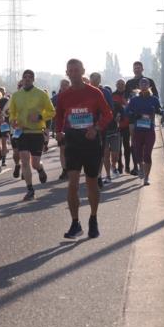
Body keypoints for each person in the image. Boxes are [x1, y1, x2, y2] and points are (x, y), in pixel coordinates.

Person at [54, 59, 113, 239]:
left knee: (91, 183)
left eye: (76, 70)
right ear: (67, 73)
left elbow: (108, 114)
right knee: (72, 184)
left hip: (91, 142)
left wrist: (96, 129)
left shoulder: (94, 93)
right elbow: (59, 117)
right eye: (70, 71)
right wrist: (58, 132)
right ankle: (75, 223)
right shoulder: (64, 96)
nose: (73, 73)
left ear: (83, 71)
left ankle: (93, 219)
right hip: (72, 142)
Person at [7, 69, 55, 201]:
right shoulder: (16, 95)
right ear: (22, 79)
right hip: (22, 132)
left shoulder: (41, 94)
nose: (27, 79)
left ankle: (40, 168)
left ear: (33, 79)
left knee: (34, 163)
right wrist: (12, 120)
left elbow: (52, 112)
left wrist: (40, 116)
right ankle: (30, 189)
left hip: (36, 132)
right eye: (25, 77)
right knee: (24, 160)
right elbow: (12, 112)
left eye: (30, 77)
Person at [126, 84, 163, 186]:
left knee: (147, 154)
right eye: (142, 84)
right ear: (139, 86)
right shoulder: (134, 100)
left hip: (149, 131)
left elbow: (159, 110)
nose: (144, 86)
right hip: (138, 131)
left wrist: (162, 111)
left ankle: (146, 177)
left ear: (148, 86)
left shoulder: (154, 99)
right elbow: (127, 111)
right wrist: (134, 115)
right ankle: (141, 168)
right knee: (138, 153)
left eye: (145, 84)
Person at [89, 72, 115, 188]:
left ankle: (98, 175)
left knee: (100, 153)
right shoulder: (85, 92)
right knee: (87, 153)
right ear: (90, 80)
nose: (95, 81)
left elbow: (110, 110)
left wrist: (101, 122)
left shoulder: (105, 92)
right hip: (85, 126)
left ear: (100, 80)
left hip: (100, 128)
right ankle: (92, 175)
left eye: (97, 79)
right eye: (93, 79)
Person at [52, 78, 71, 180]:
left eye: (66, 85)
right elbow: (50, 110)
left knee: (72, 149)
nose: (64, 87)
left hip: (73, 127)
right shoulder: (56, 98)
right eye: (62, 85)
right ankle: (65, 170)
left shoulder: (74, 96)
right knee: (63, 149)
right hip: (61, 127)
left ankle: (72, 167)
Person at [113, 79, 131, 174]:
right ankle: (120, 165)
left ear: (125, 85)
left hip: (127, 124)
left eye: (122, 84)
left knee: (127, 146)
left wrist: (126, 103)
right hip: (117, 125)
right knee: (118, 148)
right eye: (119, 84)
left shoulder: (129, 95)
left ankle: (127, 166)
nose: (120, 86)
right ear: (116, 85)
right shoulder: (113, 95)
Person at [0, 87, 11, 167]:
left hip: (5, 124)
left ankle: (3, 159)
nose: (1, 93)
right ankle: (1, 154)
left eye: (2, 91)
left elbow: (10, 111)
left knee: (3, 142)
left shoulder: (6, 101)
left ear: (4, 92)